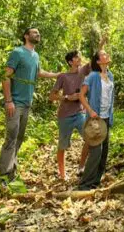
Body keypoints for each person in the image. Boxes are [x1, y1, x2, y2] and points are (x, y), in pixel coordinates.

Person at [0, 27, 59, 180]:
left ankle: (11, 173)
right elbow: (5, 76)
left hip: (27, 104)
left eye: (39, 33)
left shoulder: (35, 55)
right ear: (26, 36)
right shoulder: (17, 52)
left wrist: (58, 74)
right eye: (34, 32)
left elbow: (39, 73)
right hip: (15, 103)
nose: (38, 34)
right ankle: (3, 175)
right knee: (11, 138)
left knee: (19, 139)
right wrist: (8, 101)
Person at [76, 50, 114, 190]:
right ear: (98, 61)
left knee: (104, 151)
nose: (107, 55)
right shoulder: (92, 76)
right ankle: (85, 184)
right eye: (103, 54)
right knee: (96, 152)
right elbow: (81, 95)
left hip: (106, 117)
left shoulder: (110, 75)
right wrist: (90, 110)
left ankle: (96, 181)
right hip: (95, 119)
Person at [49, 50, 88, 180]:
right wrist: (67, 97)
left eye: (79, 56)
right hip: (65, 115)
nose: (79, 58)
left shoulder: (83, 72)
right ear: (70, 62)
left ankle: (81, 167)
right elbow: (52, 96)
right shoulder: (63, 76)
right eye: (76, 57)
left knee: (90, 138)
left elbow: (95, 61)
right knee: (62, 145)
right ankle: (62, 175)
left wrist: (102, 43)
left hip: (80, 113)